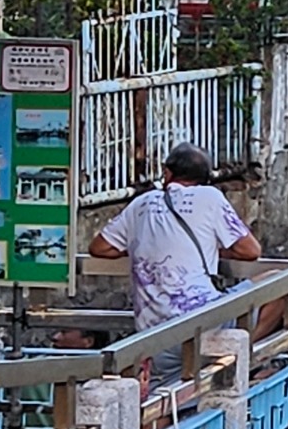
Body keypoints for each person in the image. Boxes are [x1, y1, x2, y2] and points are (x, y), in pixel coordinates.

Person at [88, 145, 262, 374]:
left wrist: (145, 248)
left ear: (167, 173)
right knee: (276, 283)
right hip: (204, 327)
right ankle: (244, 353)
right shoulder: (210, 197)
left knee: (171, 396)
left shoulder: (142, 202)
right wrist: (212, 249)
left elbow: (99, 247)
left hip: (154, 340)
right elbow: (251, 250)